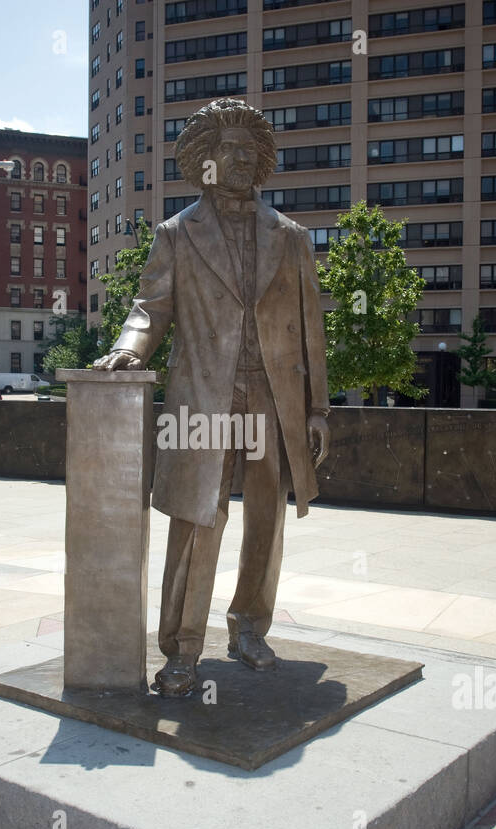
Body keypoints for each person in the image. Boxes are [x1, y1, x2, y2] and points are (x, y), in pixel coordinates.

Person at [93, 98, 330, 698]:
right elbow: (150, 307)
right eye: (230, 150)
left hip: (274, 400)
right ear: (205, 161)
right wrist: (130, 350)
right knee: (200, 517)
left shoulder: (293, 238)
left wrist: (319, 408)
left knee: (266, 519)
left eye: (252, 152)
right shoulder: (177, 234)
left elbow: (310, 329)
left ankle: (250, 626)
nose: (243, 159)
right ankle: (181, 647)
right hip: (204, 400)